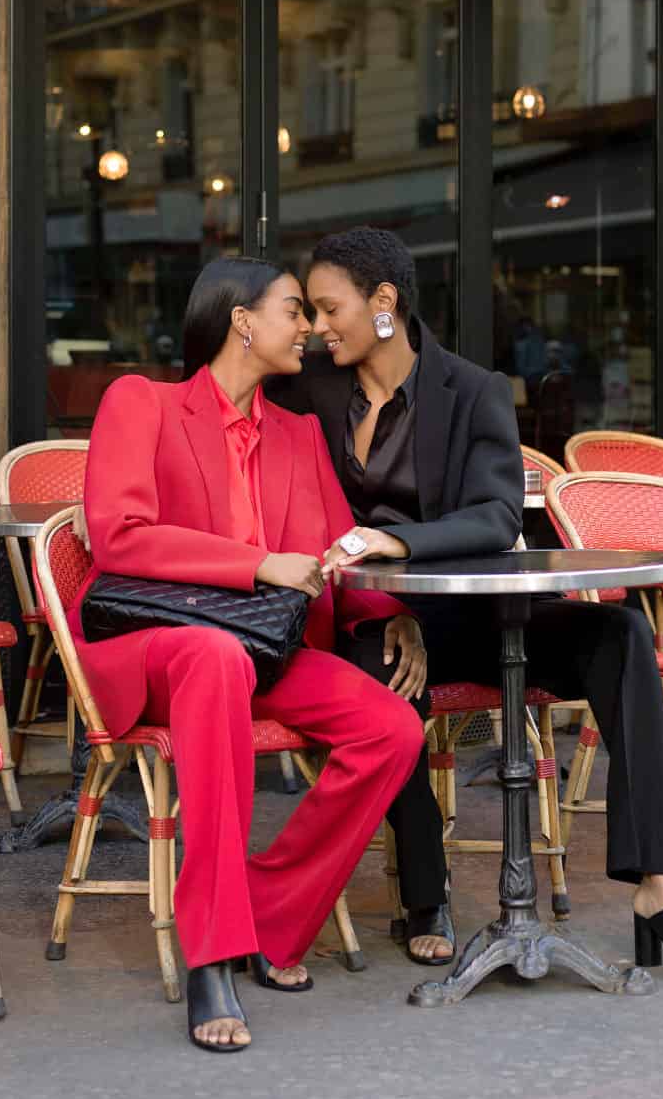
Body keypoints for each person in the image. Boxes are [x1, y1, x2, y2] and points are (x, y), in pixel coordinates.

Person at [266, 226, 663, 984]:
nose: (317, 326)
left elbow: (494, 515)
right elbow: (221, 396)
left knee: (621, 633)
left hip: (476, 614)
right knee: (381, 669)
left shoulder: (472, 388)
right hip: (369, 619)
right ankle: (426, 897)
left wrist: (401, 545)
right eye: (310, 311)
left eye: (328, 307)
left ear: (384, 303)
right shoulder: (313, 386)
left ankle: (661, 889)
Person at [74, 258, 429, 1053]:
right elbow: (119, 535)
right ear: (241, 320)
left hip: (261, 649)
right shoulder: (144, 403)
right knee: (212, 660)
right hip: (156, 647)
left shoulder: (299, 435)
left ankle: (265, 913)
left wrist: (394, 614)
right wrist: (257, 564)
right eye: (293, 310)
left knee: (392, 728)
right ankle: (211, 954)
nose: (308, 327)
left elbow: (337, 551)